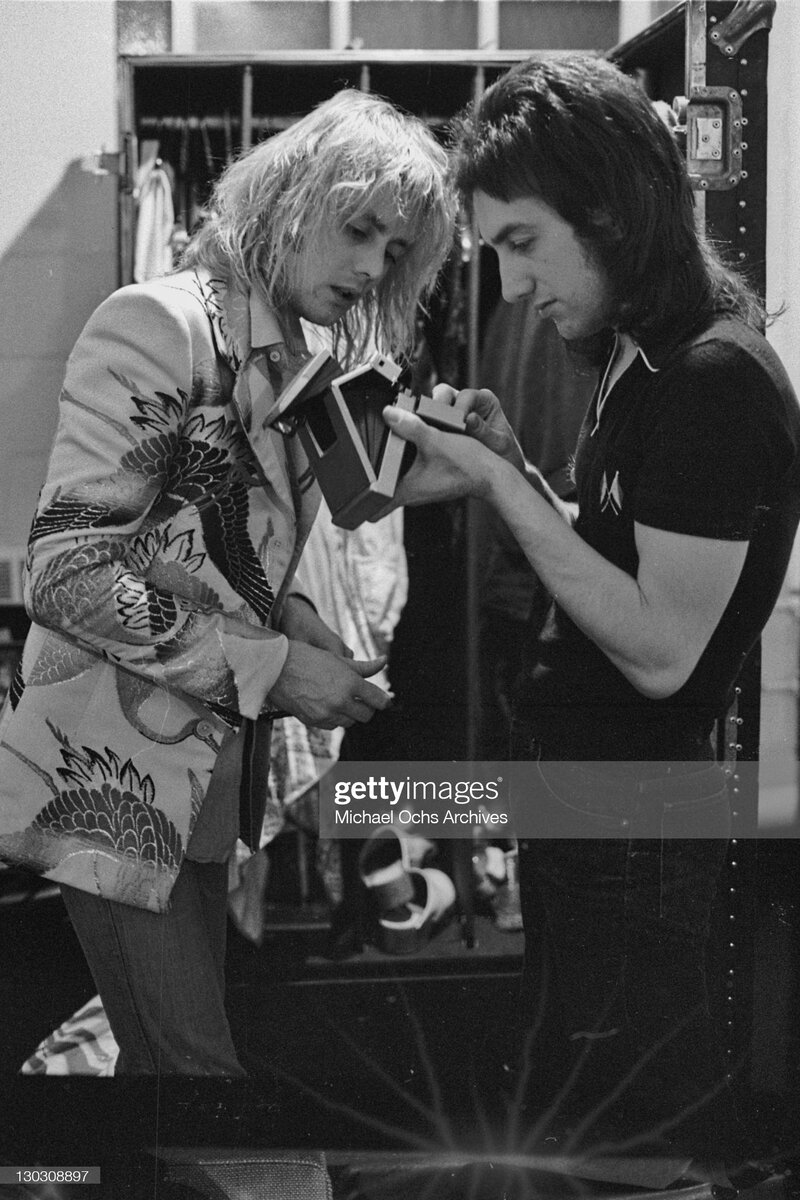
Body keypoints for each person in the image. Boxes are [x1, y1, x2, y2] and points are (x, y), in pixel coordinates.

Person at [380, 55, 800, 1165]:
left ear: (608, 208)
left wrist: (497, 487)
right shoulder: (636, 356)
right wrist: (520, 460)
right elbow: (618, 550)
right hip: (592, 804)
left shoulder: (710, 378)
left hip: (636, 818)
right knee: (584, 1097)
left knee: (629, 1125)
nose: (508, 287)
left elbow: (662, 652)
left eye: (520, 243)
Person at [0, 88, 456, 1076]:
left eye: (395, 245)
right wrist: (274, 668)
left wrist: (293, 620)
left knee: (161, 1068)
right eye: (359, 230)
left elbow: (218, 551)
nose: (374, 265)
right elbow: (72, 572)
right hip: (110, 777)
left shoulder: (287, 350)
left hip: (195, 784)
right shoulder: (158, 325)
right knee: (197, 1077)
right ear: (290, 200)